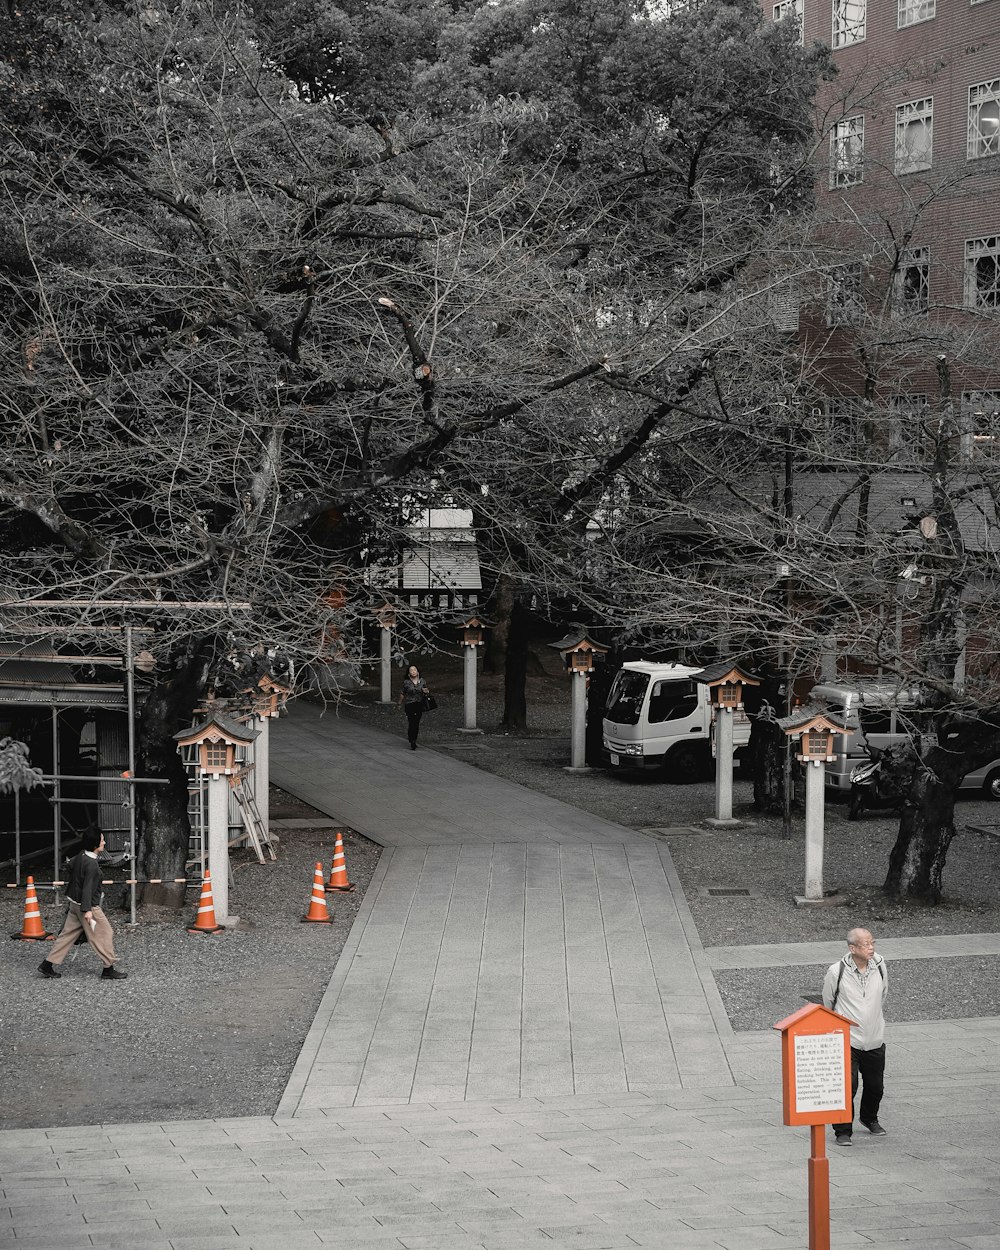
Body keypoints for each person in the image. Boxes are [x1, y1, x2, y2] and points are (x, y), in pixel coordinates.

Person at [822, 927, 887, 1145]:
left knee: (875, 1086)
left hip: (875, 1037)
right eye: (866, 944)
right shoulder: (836, 971)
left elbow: (883, 994)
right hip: (847, 1039)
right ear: (852, 948)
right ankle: (842, 1130)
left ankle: (869, 1118)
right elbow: (828, 1003)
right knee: (847, 1087)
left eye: (872, 943)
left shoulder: (880, 965)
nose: (871, 948)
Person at [38, 830, 127, 981]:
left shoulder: (81, 855)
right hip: (87, 907)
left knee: (67, 935)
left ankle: (47, 965)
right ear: (95, 845)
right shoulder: (92, 865)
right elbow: (88, 889)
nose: (104, 842)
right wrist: (88, 911)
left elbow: (69, 866)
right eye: (102, 840)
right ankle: (108, 968)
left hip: (74, 903)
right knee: (104, 933)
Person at [398, 663, 430, 750]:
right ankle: (411, 738)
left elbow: (426, 690)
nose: (413, 672)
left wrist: (425, 691)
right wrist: (399, 703)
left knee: (416, 722)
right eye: (411, 670)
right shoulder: (406, 682)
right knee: (411, 721)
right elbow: (402, 693)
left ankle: (414, 740)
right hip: (410, 704)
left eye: (414, 670)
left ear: (418, 671)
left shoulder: (422, 681)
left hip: (419, 703)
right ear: (409, 673)